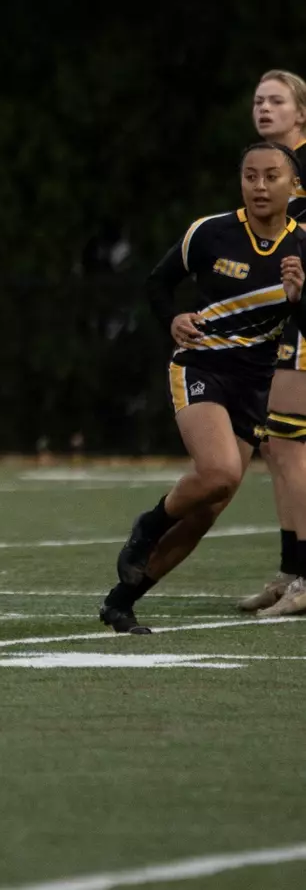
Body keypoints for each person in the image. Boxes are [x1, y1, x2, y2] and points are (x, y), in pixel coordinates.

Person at [101, 141, 306, 633]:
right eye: (250, 176)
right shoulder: (211, 233)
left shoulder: (302, 247)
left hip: (253, 385)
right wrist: (171, 318)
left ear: (293, 186)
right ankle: (148, 526)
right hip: (201, 366)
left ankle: (120, 600)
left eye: (271, 176)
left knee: (208, 509)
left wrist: (300, 298)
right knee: (216, 473)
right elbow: (158, 283)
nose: (259, 186)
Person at [237, 70, 306, 615]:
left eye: (277, 101)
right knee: (278, 445)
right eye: (259, 100)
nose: (264, 108)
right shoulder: (266, 170)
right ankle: (292, 571)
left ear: (300, 112)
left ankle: (303, 577)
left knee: (291, 443)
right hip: (284, 318)